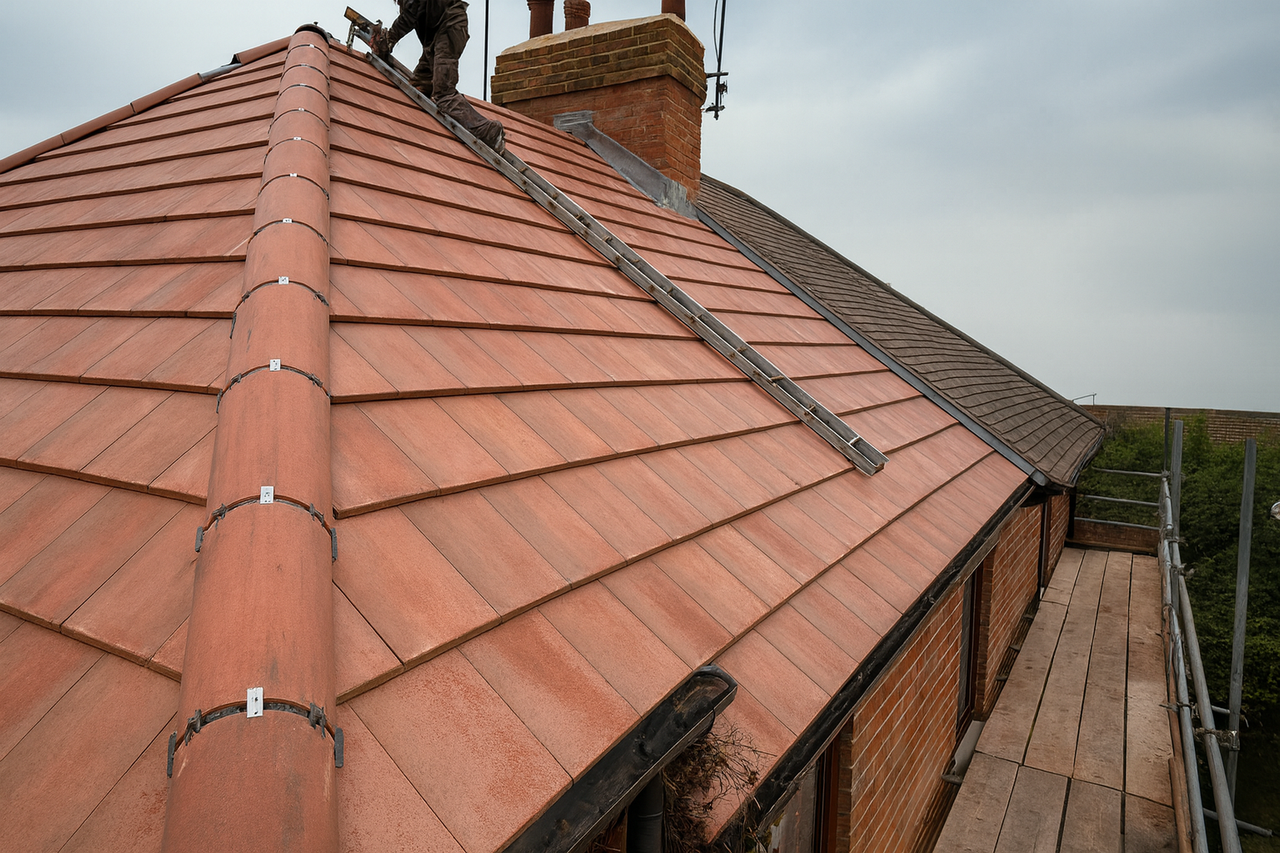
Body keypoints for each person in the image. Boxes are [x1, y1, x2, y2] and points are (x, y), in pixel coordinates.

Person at [371, 0, 505, 152]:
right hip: (437, 36)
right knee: (420, 84)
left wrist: (389, 40)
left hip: (448, 30)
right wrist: (388, 40)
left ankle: (489, 132)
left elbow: (410, 13)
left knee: (444, 93)